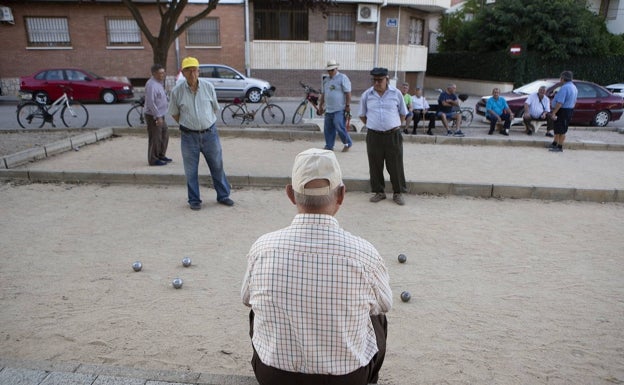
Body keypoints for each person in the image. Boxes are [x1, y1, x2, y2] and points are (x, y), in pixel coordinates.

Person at [241, 148, 392, 385]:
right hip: (346, 378)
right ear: (341, 195)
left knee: (256, 309)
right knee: (377, 317)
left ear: (291, 194)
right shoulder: (364, 253)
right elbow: (384, 304)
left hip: (274, 376)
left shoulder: (263, 247)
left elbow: (246, 298)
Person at [168, 56, 234, 210]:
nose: (192, 74)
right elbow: (174, 113)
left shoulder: (208, 87)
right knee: (190, 170)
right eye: (188, 71)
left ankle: (223, 195)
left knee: (217, 165)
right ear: (183, 73)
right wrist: (189, 124)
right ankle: (194, 200)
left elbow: (214, 108)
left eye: (194, 70)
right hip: (188, 136)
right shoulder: (177, 91)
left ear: (199, 71)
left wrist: (203, 122)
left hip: (210, 134)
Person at [358, 67, 408, 206]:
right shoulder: (367, 95)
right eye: (374, 80)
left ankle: (398, 192)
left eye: (379, 80)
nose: (376, 83)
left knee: (396, 165)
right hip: (374, 136)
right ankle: (379, 192)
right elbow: (362, 115)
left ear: (387, 79)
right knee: (375, 164)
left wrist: (394, 124)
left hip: (393, 135)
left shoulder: (396, 94)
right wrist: (374, 125)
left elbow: (403, 113)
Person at [317, 59, 353, 152]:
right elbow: (324, 94)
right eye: (329, 70)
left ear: (336, 68)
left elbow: (348, 92)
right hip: (328, 109)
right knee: (328, 128)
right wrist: (320, 106)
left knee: (339, 126)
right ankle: (329, 146)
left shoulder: (342, 78)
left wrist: (348, 105)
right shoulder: (326, 80)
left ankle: (347, 143)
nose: (331, 72)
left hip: (339, 108)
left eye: (332, 70)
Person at [143, 64, 171, 166]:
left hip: (161, 114)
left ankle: (160, 154)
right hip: (153, 115)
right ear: (154, 73)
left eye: (163, 72)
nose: (163, 75)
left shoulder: (159, 83)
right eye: (160, 73)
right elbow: (151, 102)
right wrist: (157, 116)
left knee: (164, 134)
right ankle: (153, 159)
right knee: (155, 137)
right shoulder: (151, 85)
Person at [549, 70, 578, 153]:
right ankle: (555, 143)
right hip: (568, 110)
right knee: (558, 128)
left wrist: (554, 112)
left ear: (563, 78)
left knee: (561, 129)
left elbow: (560, 102)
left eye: (560, 78)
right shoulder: (573, 87)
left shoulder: (565, 88)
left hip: (563, 110)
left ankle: (559, 146)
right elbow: (575, 101)